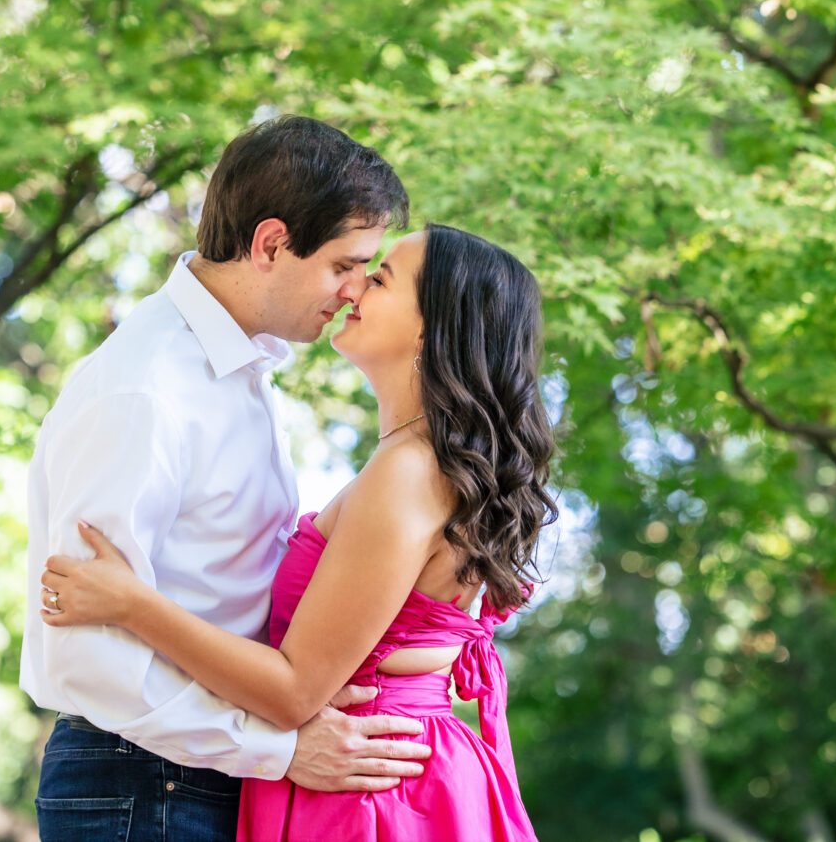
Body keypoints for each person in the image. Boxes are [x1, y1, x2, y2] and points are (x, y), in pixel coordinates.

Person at [42, 223, 557, 842]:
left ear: (430, 326)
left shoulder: (409, 472)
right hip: (369, 774)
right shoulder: (411, 464)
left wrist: (132, 604)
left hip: (370, 794)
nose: (354, 289)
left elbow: (293, 690)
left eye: (380, 278)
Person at [23, 115, 432, 842]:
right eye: (344, 264)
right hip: (143, 778)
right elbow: (87, 653)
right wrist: (278, 748)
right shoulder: (147, 388)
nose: (352, 291)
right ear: (271, 242)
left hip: (198, 770)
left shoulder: (240, 368)